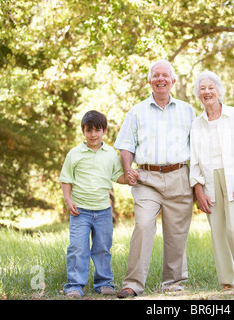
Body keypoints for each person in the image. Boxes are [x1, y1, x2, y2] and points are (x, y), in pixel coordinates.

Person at [114, 59, 196, 298]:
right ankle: (133, 284)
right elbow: (126, 147)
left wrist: (199, 183)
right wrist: (128, 168)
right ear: (150, 81)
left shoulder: (187, 110)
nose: (160, 79)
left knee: (177, 232)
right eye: (156, 75)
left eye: (165, 75)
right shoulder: (137, 111)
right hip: (147, 178)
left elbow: (198, 147)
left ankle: (173, 283)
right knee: (143, 225)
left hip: (180, 175)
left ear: (173, 81)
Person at [190, 70, 234, 292]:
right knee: (218, 232)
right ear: (198, 95)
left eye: (211, 88)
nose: (207, 92)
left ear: (219, 91)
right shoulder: (197, 124)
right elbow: (194, 160)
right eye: (202, 89)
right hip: (210, 181)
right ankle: (227, 282)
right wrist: (198, 190)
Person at [59, 110, 127, 298]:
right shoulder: (75, 154)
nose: (93, 135)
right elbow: (66, 179)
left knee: (102, 247)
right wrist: (68, 200)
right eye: (89, 130)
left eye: (97, 130)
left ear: (104, 131)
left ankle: (104, 283)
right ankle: (74, 285)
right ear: (83, 131)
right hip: (80, 211)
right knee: (78, 248)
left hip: (103, 211)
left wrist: (129, 177)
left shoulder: (110, 154)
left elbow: (117, 176)